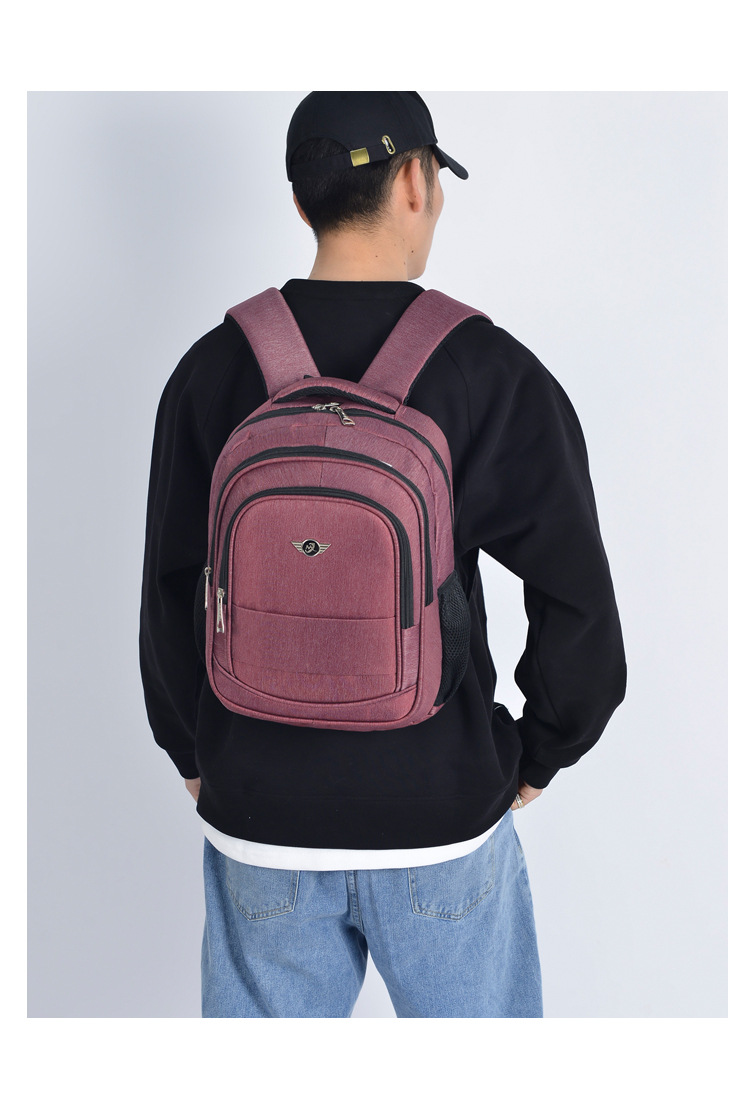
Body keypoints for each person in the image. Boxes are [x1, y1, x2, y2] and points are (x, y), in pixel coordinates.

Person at [139, 91, 627, 1018]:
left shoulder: (212, 367)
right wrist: (537, 752)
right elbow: (576, 598)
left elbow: (168, 588)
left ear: (301, 201)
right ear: (415, 181)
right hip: (441, 812)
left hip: (259, 818)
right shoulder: (491, 370)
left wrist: (194, 751)